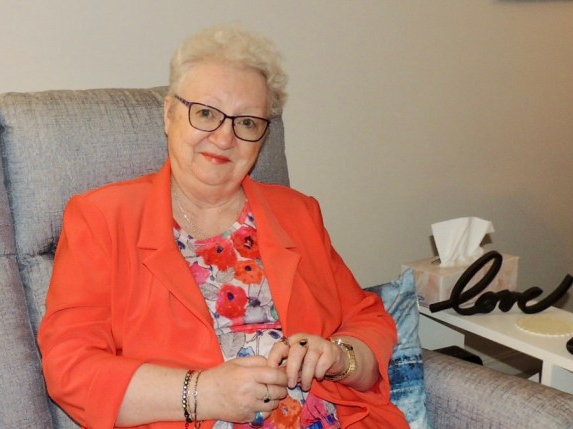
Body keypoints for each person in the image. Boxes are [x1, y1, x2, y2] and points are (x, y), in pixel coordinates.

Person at [38, 24, 408, 429]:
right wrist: (204, 393)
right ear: (169, 114)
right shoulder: (102, 219)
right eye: (206, 113)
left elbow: (368, 320)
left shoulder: (298, 213)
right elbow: (70, 369)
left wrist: (339, 356)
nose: (224, 137)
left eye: (246, 122)